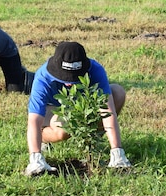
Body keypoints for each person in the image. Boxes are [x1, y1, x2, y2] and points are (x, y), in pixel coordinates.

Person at [24, 41, 131, 176]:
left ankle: (92, 139)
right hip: (53, 108)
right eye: (65, 77)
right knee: (64, 128)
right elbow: (34, 120)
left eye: (74, 77)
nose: (69, 82)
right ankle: (44, 139)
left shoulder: (96, 70)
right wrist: (35, 158)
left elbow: (107, 112)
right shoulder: (43, 76)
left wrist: (117, 152)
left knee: (118, 92)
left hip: (82, 106)